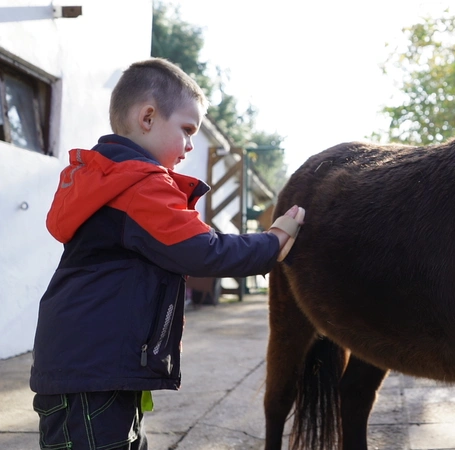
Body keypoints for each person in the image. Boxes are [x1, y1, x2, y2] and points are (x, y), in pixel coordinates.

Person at [29, 57, 303, 450]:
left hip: (93, 367)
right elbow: (203, 251)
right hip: (96, 372)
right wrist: (272, 241)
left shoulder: (109, 179)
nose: (191, 145)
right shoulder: (139, 185)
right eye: (187, 130)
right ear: (148, 118)